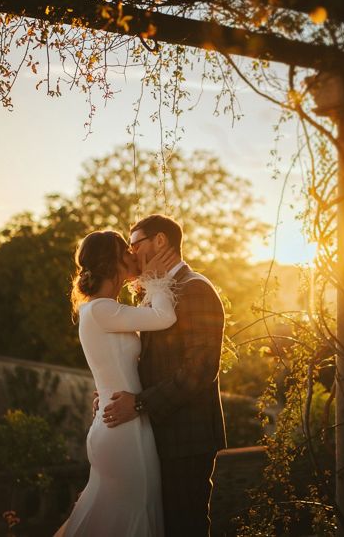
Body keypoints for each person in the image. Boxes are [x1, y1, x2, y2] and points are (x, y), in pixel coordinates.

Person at [103, 215, 227, 536]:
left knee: (185, 526)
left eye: (135, 244)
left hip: (187, 438)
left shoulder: (195, 289)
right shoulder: (158, 291)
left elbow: (200, 370)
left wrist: (141, 404)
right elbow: (150, 363)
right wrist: (112, 393)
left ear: (160, 241)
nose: (130, 254)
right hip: (161, 435)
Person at [55, 230, 179, 537]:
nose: (133, 254)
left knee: (112, 518)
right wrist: (157, 278)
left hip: (118, 421)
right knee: (133, 516)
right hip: (124, 431)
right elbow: (165, 317)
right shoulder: (101, 309)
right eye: (126, 249)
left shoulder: (104, 309)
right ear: (113, 261)